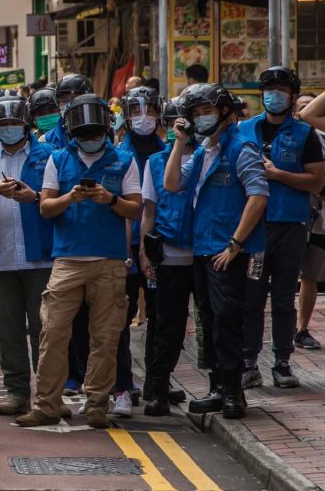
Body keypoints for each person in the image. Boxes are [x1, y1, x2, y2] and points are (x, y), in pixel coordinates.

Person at [16, 94, 142, 429]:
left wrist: (109, 198)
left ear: (106, 129)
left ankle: (97, 403)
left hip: (110, 261)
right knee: (53, 332)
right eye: (84, 133)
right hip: (67, 260)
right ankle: (47, 404)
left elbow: (135, 208)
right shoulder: (58, 159)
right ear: (73, 133)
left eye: (96, 132)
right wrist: (70, 196)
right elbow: (45, 208)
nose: (91, 139)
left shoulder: (124, 160)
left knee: (106, 337)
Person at [167, 83, 267, 419]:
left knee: (228, 319)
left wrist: (235, 245)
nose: (200, 118)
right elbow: (171, 184)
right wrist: (180, 142)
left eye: (205, 112)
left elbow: (257, 197)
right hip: (202, 248)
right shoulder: (201, 151)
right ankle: (217, 386)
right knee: (209, 319)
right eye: (194, 114)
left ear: (225, 112)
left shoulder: (242, 148)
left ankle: (233, 390)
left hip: (228, 251)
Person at [0, 92, 55, 418]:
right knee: (8, 329)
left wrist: (33, 198)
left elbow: (55, 199)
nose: (8, 128)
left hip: (41, 255)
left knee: (45, 327)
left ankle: (48, 393)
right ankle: (17, 391)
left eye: (14, 123)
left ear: (26, 123)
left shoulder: (49, 156)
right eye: (2, 123)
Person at [237, 67, 323, 390]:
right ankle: (248, 362)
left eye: (282, 90)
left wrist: (278, 175)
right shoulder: (244, 130)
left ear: (292, 96)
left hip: (291, 226)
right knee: (252, 296)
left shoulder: (305, 134)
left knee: (285, 297)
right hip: (254, 227)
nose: (275, 95)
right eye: (270, 89)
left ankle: (282, 362)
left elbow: (316, 179)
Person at [141, 99, 200, 417]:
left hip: (206, 251)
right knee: (168, 326)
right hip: (170, 255)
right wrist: (143, 253)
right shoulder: (154, 163)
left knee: (214, 322)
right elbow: (148, 210)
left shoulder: (209, 156)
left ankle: (220, 386)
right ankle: (159, 388)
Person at [111, 86, 167, 417]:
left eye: (148, 111)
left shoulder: (168, 151)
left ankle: (157, 381)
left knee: (161, 317)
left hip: (163, 249)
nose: (143, 118)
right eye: (135, 111)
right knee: (121, 317)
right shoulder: (120, 156)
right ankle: (123, 382)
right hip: (127, 250)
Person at [293, 92, 325, 351]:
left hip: (319, 221)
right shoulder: (283, 139)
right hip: (288, 218)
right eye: (301, 107)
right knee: (284, 278)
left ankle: (302, 328)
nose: (306, 111)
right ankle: (281, 329)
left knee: (310, 277)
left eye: (310, 106)